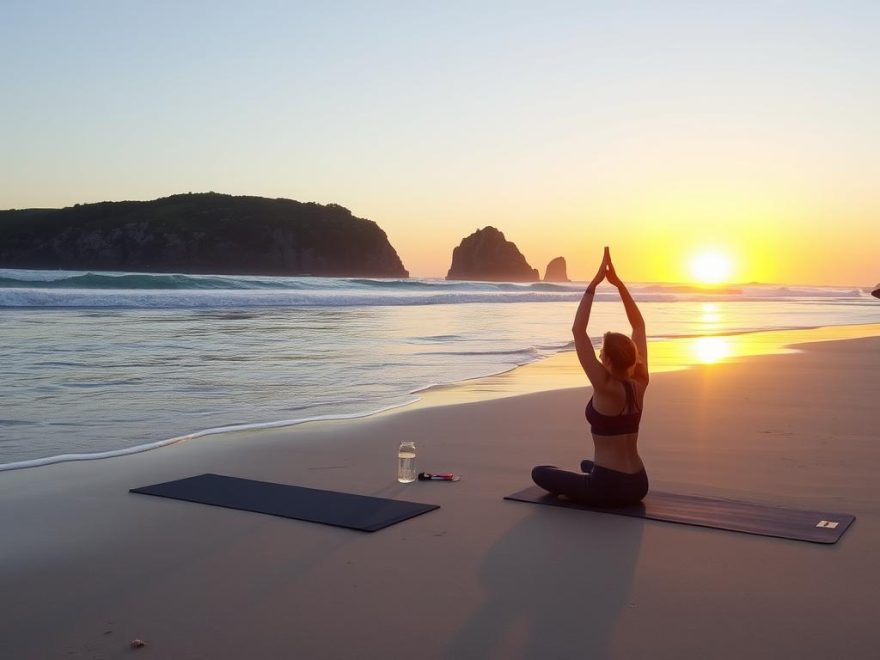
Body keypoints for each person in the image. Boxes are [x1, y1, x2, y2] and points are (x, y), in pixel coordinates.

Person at [531, 247, 649, 506]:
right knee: (587, 463)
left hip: (609, 487)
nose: (598, 355)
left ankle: (587, 483)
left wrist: (594, 284)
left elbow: (578, 330)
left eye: (601, 352)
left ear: (606, 360)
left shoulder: (604, 385)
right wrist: (618, 285)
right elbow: (639, 326)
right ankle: (591, 474)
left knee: (540, 473)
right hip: (639, 483)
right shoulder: (640, 382)